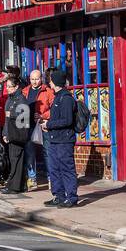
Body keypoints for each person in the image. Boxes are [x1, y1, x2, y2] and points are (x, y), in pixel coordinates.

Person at [43, 69, 79, 208]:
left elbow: (67, 120)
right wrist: (48, 126)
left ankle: (71, 197)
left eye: (51, 80)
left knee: (67, 169)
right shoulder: (57, 96)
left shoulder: (66, 98)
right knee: (54, 169)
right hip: (54, 139)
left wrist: (49, 124)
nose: (49, 82)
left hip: (64, 140)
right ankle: (58, 195)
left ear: (56, 82)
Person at [3, 70, 34, 193]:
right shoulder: (11, 99)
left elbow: (24, 115)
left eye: (10, 87)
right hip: (11, 133)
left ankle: (14, 187)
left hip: (18, 134)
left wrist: (12, 114)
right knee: (15, 159)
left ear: (16, 87)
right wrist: (5, 133)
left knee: (16, 159)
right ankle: (20, 185)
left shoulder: (21, 99)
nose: (8, 89)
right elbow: (6, 120)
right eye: (7, 87)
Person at [22, 69, 54, 189]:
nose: (34, 82)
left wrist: (43, 116)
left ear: (41, 79)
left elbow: (54, 108)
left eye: (37, 79)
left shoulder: (48, 91)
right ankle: (32, 178)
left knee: (47, 152)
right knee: (30, 153)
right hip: (29, 126)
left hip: (43, 125)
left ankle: (51, 177)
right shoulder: (25, 91)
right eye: (32, 79)